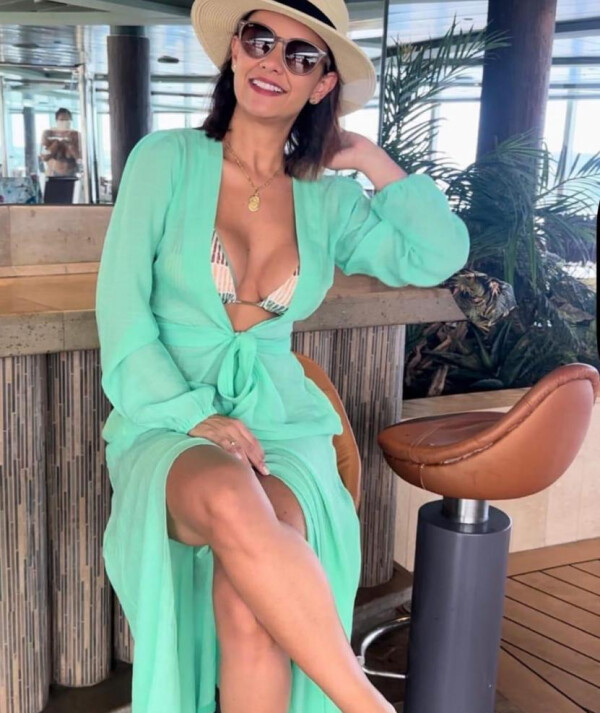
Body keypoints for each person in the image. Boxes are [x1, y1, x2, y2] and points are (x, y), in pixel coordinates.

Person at [95, 0, 470, 711]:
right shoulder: (165, 160)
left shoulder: (327, 201)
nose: (273, 62)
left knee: (253, 613)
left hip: (281, 429)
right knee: (231, 493)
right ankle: (368, 704)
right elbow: (122, 312)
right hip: (166, 417)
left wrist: (369, 159)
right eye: (260, 39)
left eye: (301, 56)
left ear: (323, 84)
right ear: (234, 51)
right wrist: (192, 413)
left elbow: (436, 254)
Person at [39, 107, 81, 178]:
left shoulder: (75, 135)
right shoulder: (48, 133)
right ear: (57, 121)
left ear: (70, 121)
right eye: (62, 120)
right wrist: (56, 144)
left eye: (67, 120)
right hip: (53, 174)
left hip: (71, 174)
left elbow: (80, 157)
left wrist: (70, 146)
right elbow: (44, 157)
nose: (64, 122)